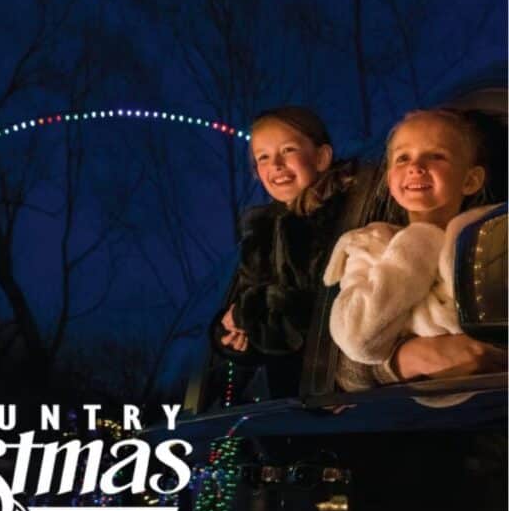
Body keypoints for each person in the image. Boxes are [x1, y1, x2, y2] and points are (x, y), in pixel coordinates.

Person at [324, 108, 506, 392]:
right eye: (403, 157)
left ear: (471, 180)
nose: (416, 167)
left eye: (436, 156)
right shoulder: (368, 247)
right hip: (410, 417)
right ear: (389, 179)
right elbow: (358, 338)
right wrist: (421, 241)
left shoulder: (492, 236)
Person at [211, 106, 355, 397]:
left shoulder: (348, 219)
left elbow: (323, 312)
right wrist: (232, 337)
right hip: (290, 405)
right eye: (262, 157)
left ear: (321, 157)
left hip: (345, 399)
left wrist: (250, 315)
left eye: (288, 150)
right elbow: (244, 308)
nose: (275, 164)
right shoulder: (260, 238)